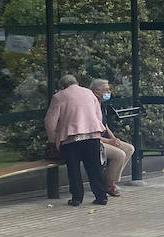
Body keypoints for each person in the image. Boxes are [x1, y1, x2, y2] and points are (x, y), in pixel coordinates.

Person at [45, 74, 109, 207]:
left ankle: (76, 198)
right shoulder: (89, 94)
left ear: (63, 86)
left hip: (71, 138)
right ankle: (101, 196)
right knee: (95, 167)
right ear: (76, 83)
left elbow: (50, 122)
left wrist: (53, 140)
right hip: (92, 135)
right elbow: (98, 115)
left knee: (73, 169)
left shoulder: (59, 97)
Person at [90, 78, 135, 197]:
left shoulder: (102, 106)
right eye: (106, 90)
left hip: (106, 139)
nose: (109, 92)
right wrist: (109, 141)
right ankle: (109, 183)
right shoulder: (91, 107)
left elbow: (105, 126)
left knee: (129, 148)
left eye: (109, 89)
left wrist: (114, 139)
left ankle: (110, 180)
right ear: (95, 91)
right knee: (120, 154)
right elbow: (93, 133)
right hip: (96, 141)